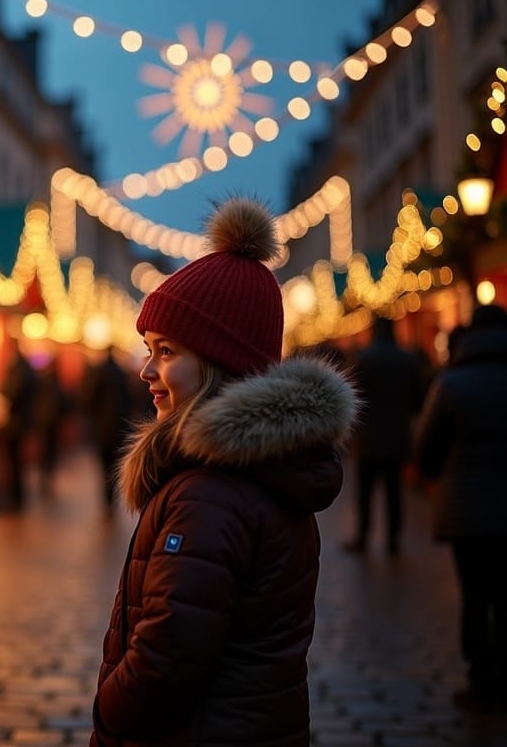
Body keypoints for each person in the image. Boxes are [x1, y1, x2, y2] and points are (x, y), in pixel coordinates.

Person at [90, 198, 357, 747]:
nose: (146, 370)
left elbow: (168, 653)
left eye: (166, 351)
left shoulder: (210, 490)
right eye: (149, 349)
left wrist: (109, 716)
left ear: (218, 364)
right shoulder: (261, 470)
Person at [414, 302, 507, 714]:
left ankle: (480, 678)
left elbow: (426, 447)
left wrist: (437, 475)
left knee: (475, 594)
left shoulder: (452, 382)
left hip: (467, 509)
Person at [343, 315, 426, 556]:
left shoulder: (364, 360)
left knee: (365, 491)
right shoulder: (407, 359)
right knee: (394, 491)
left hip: (368, 438)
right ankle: (393, 539)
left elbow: (353, 397)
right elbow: (418, 399)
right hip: (396, 437)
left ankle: (363, 535)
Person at [78, 349, 133, 513]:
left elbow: (89, 399)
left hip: (102, 426)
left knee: (104, 464)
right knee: (115, 462)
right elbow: (130, 399)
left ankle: (107, 499)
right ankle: (112, 496)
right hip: (120, 425)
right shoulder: (122, 374)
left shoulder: (99, 374)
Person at [1, 338, 36, 510]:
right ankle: (18, 496)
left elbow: (12, 391)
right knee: (18, 461)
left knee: (15, 461)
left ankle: (17, 497)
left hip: (16, 422)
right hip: (23, 421)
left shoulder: (18, 368)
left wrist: (3, 388)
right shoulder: (26, 367)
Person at [33, 355, 66, 497]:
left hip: (45, 422)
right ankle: (48, 477)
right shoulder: (56, 382)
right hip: (52, 422)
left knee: (45, 452)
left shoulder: (43, 380)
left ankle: (45, 478)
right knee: (50, 452)